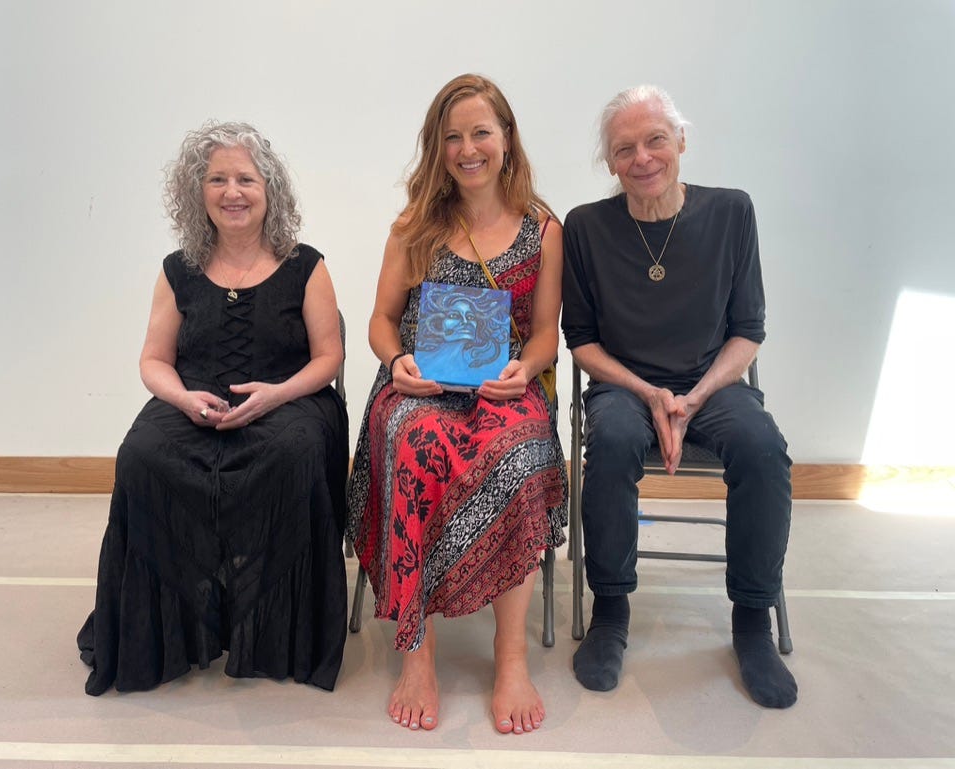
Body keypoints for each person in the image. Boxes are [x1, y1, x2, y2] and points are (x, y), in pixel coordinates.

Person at [77, 121, 349, 695]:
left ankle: (273, 630)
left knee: (295, 453)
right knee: (141, 455)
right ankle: (186, 620)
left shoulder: (306, 265)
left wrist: (276, 394)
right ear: (196, 192)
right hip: (194, 400)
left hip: (287, 398)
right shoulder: (178, 268)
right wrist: (182, 398)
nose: (233, 192)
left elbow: (328, 358)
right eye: (217, 179)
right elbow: (154, 360)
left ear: (270, 189)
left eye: (246, 179)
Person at [561, 85, 797, 709]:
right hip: (623, 385)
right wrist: (648, 393)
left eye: (655, 140)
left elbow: (748, 330)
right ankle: (610, 611)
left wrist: (692, 398)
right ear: (610, 162)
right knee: (612, 441)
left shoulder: (731, 212)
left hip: (711, 383)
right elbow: (580, 340)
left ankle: (753, 622)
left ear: (681, 142)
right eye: (624, 149)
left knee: (763, 449)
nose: (642, 158)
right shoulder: (586, 227)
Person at [346, 74, 568, 734]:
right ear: (436, 147)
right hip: (419, 386)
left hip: (504, 387)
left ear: (507, 139)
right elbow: (381, 321)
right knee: (413, 444)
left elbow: (546, 334)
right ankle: (417, 651)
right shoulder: (414, 226)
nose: (468, 149)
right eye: (452, 137)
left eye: (480, 133)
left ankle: (511, 656)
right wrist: (397, 362)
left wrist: (525, 367)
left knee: (520, 453)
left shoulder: (543, 230)